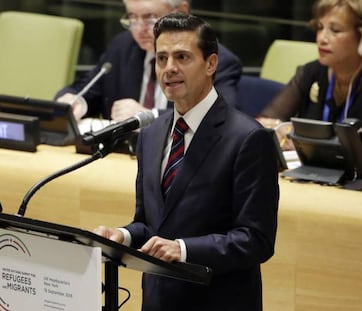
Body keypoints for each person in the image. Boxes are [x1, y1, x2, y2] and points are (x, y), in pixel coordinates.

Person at [94, 13, 279, 311]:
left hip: (217, 301)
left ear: (211, 64)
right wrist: (123, 236)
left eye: (182, 57)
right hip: (158, 300)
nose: (169, 69)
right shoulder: (151, 135)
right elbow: (151, 223)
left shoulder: (248, 138)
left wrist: (182, 249)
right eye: (162, 58)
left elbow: (255, 240)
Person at [258, 0, 362, 157]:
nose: (321, 38)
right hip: (318, 174)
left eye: (335, 30)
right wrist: (280, 129)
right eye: (320, 28)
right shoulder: (312, 72)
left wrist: (304, 140)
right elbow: (263, 125)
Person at [54, 0, 242, 123]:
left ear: (182, 12)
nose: (139, 29)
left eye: (150, 18)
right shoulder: (123, 47)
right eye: (132, 18)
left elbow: (218, 118)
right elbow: (87, 88)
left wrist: (149, 117)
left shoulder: (214, 60)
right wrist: (75, 101)